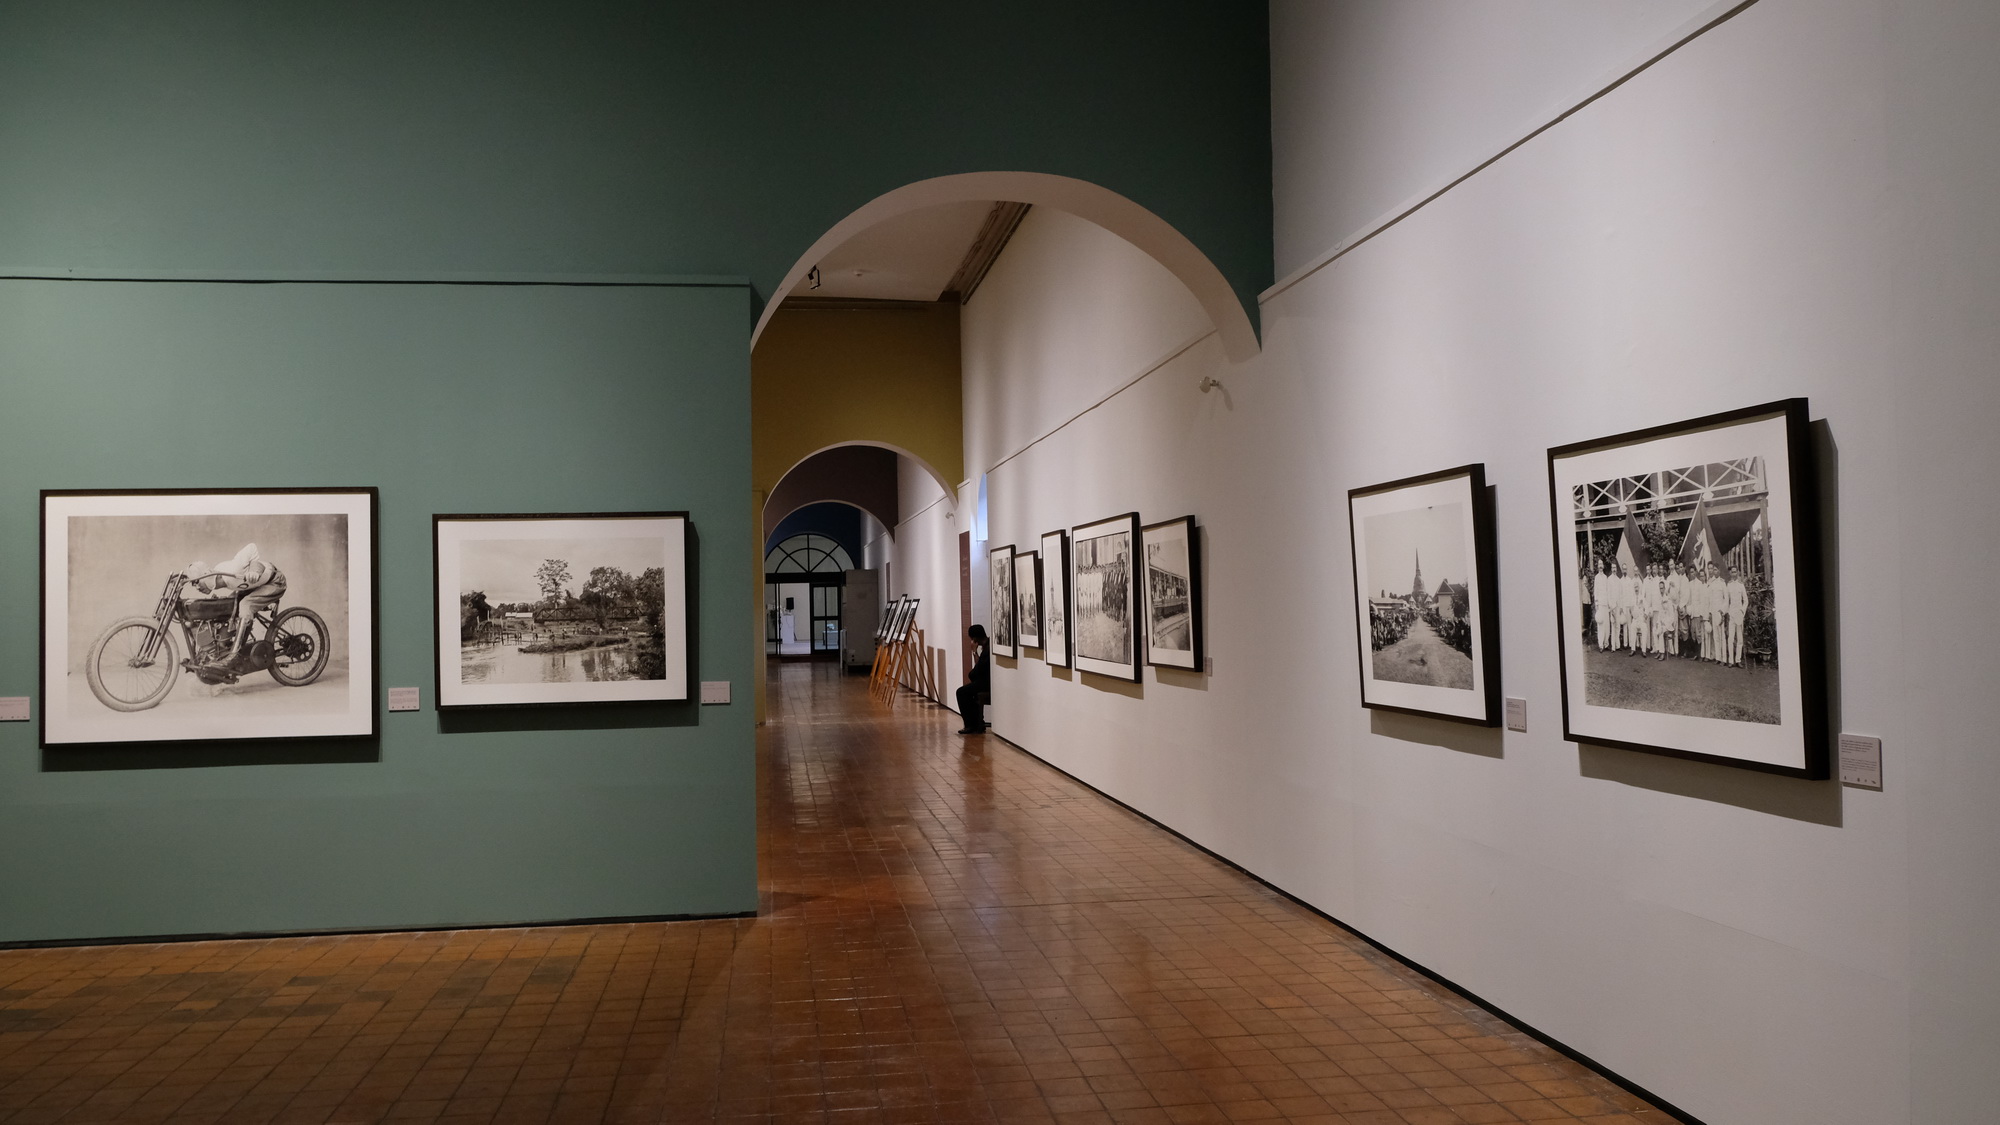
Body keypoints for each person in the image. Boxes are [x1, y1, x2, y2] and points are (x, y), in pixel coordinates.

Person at [185, 542, 286, 671]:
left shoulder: (232, 571)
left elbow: (252, 548)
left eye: (196, 582)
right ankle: (221, 649)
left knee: (246, 605)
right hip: (256, 586)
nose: (196, 587)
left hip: (274, 582)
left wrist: (255, 570)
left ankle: (235, 655)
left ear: (206, 574)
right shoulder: (222, 574)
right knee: (227, 604)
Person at [955, 624, 991, 735]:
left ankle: (970, 724)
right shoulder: (987, 646)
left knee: (961, 692)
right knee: (967, 692)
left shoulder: (987, 650)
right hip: (984, 680)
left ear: (974, 638)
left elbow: (978, 669)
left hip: (986, 683)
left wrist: (974, 652)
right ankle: (977, 722)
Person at [1723, 566, 1749, 666]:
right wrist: (1727, 612)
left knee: (1740, 639)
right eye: (1732, 572)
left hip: (1739, 615)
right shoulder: (1728, 585)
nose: (1734, 574)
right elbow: (1726, 601)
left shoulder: (1741, 585)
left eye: (1735, 572)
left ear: (1737, 572)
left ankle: (1738, 660)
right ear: (1730, 573)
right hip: (1731, 614)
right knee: (1730, 638)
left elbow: (1746, 601)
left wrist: (1742, 612)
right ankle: (1731, 661)